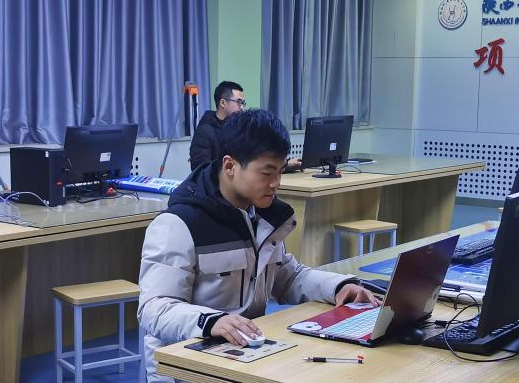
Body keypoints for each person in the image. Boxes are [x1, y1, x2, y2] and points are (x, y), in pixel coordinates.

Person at [139, 109, 378, 382]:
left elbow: (288, 277)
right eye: (267, 173)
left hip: (245, 355)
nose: (276, 183)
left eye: (280, 171)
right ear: (230, 166)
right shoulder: (178, 224)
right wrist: (211, 321)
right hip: (186, 368)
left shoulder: (262, 216)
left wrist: (338, 287)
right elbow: (154, 308)